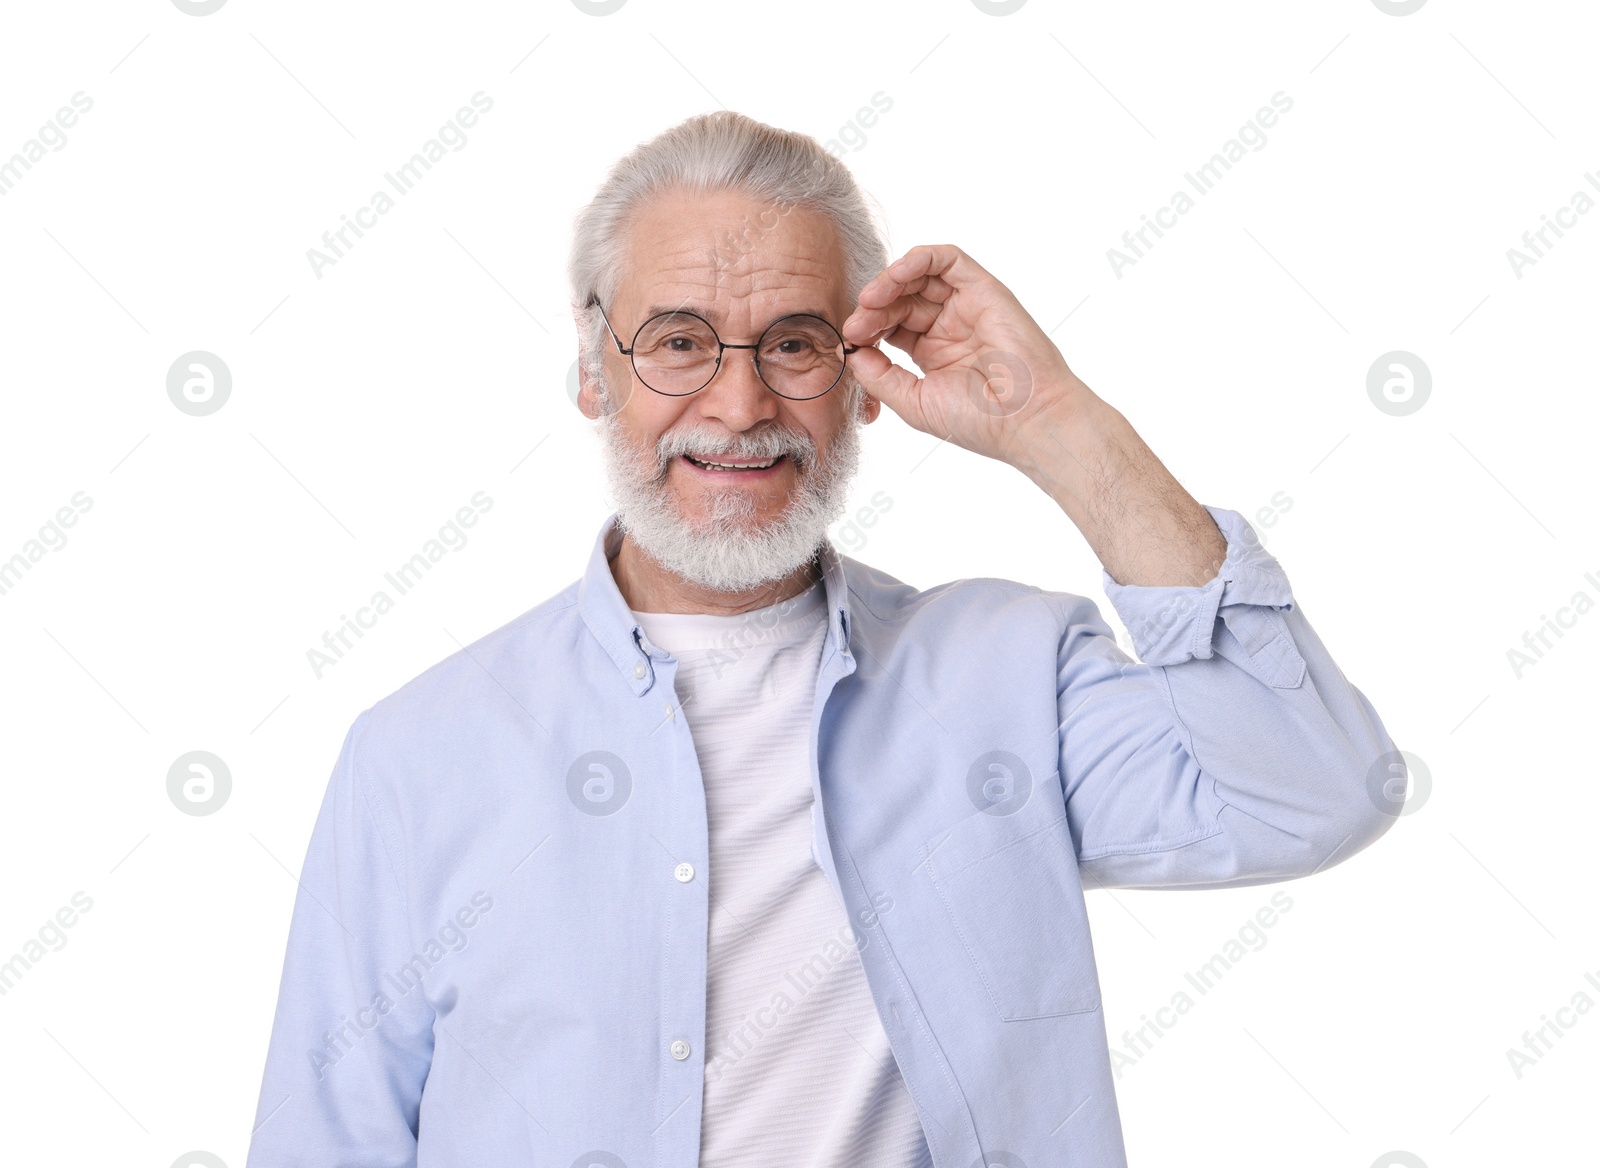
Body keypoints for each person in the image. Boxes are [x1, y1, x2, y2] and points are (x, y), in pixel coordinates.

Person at [246, 110, 1402, 1168]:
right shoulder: (416, 754)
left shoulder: (1012, 675)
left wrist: (1060, 428)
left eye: (793, 345)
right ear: (596, 369)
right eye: (679, 342)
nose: (740, 408)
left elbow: (1315, 794)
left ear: (861, 384)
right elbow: (325, 1141)